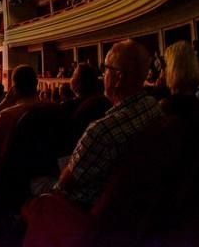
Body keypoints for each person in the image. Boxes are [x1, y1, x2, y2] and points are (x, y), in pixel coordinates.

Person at [54, 40, 162, 208]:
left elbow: (63, 185)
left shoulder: (101, 131)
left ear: (118, 77)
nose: (103, 75)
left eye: (106, 69)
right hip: (134, 205)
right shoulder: (154, 107)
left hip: (82, 214)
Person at [0, 65, 40, 158]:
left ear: (13, 88)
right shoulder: (55, 110)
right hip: (48, 170)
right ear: (37, 83)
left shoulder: (7, 115)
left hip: (13, 170)